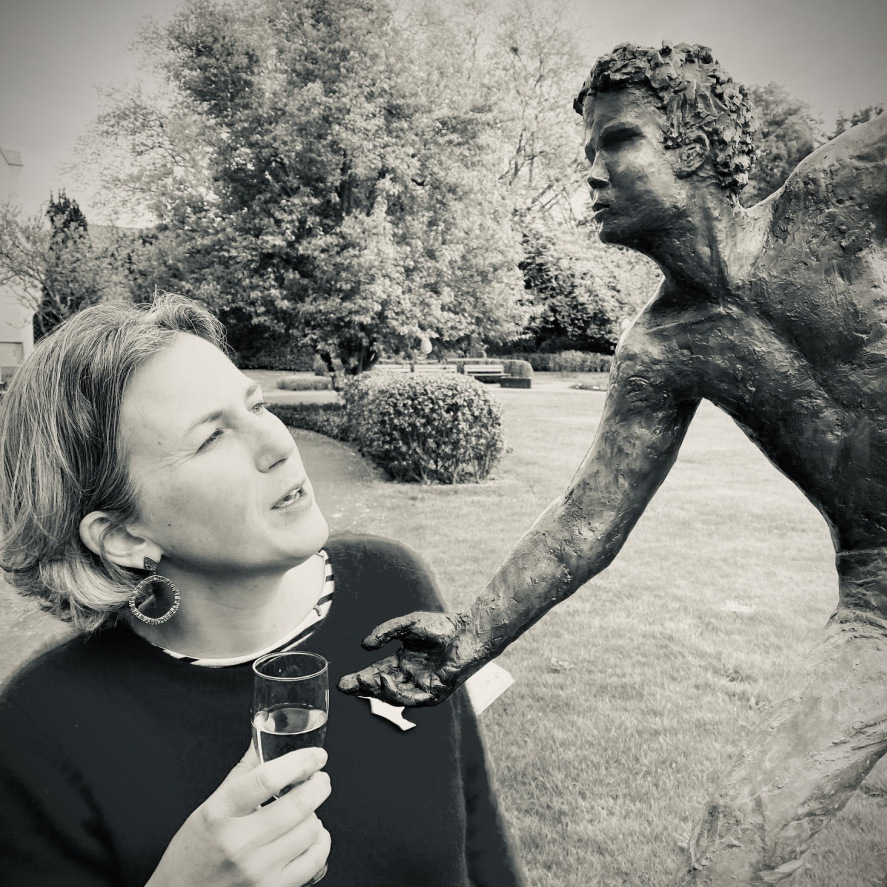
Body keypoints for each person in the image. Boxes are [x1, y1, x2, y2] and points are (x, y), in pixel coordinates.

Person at [339, 42, 887, 884]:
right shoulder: (659, 349)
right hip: (878, 602)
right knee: (733, 847)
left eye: (618, 141)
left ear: (696, 149)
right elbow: (587, 519)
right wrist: (469, 637)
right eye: (588, 150)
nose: (590, 174)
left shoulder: (829, 200)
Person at [0, 295, 526, 887]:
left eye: (256, 404)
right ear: (123, 536)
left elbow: (478, 833)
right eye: (210, 438)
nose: (278, 443)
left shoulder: (391, 580)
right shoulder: (40, 726)